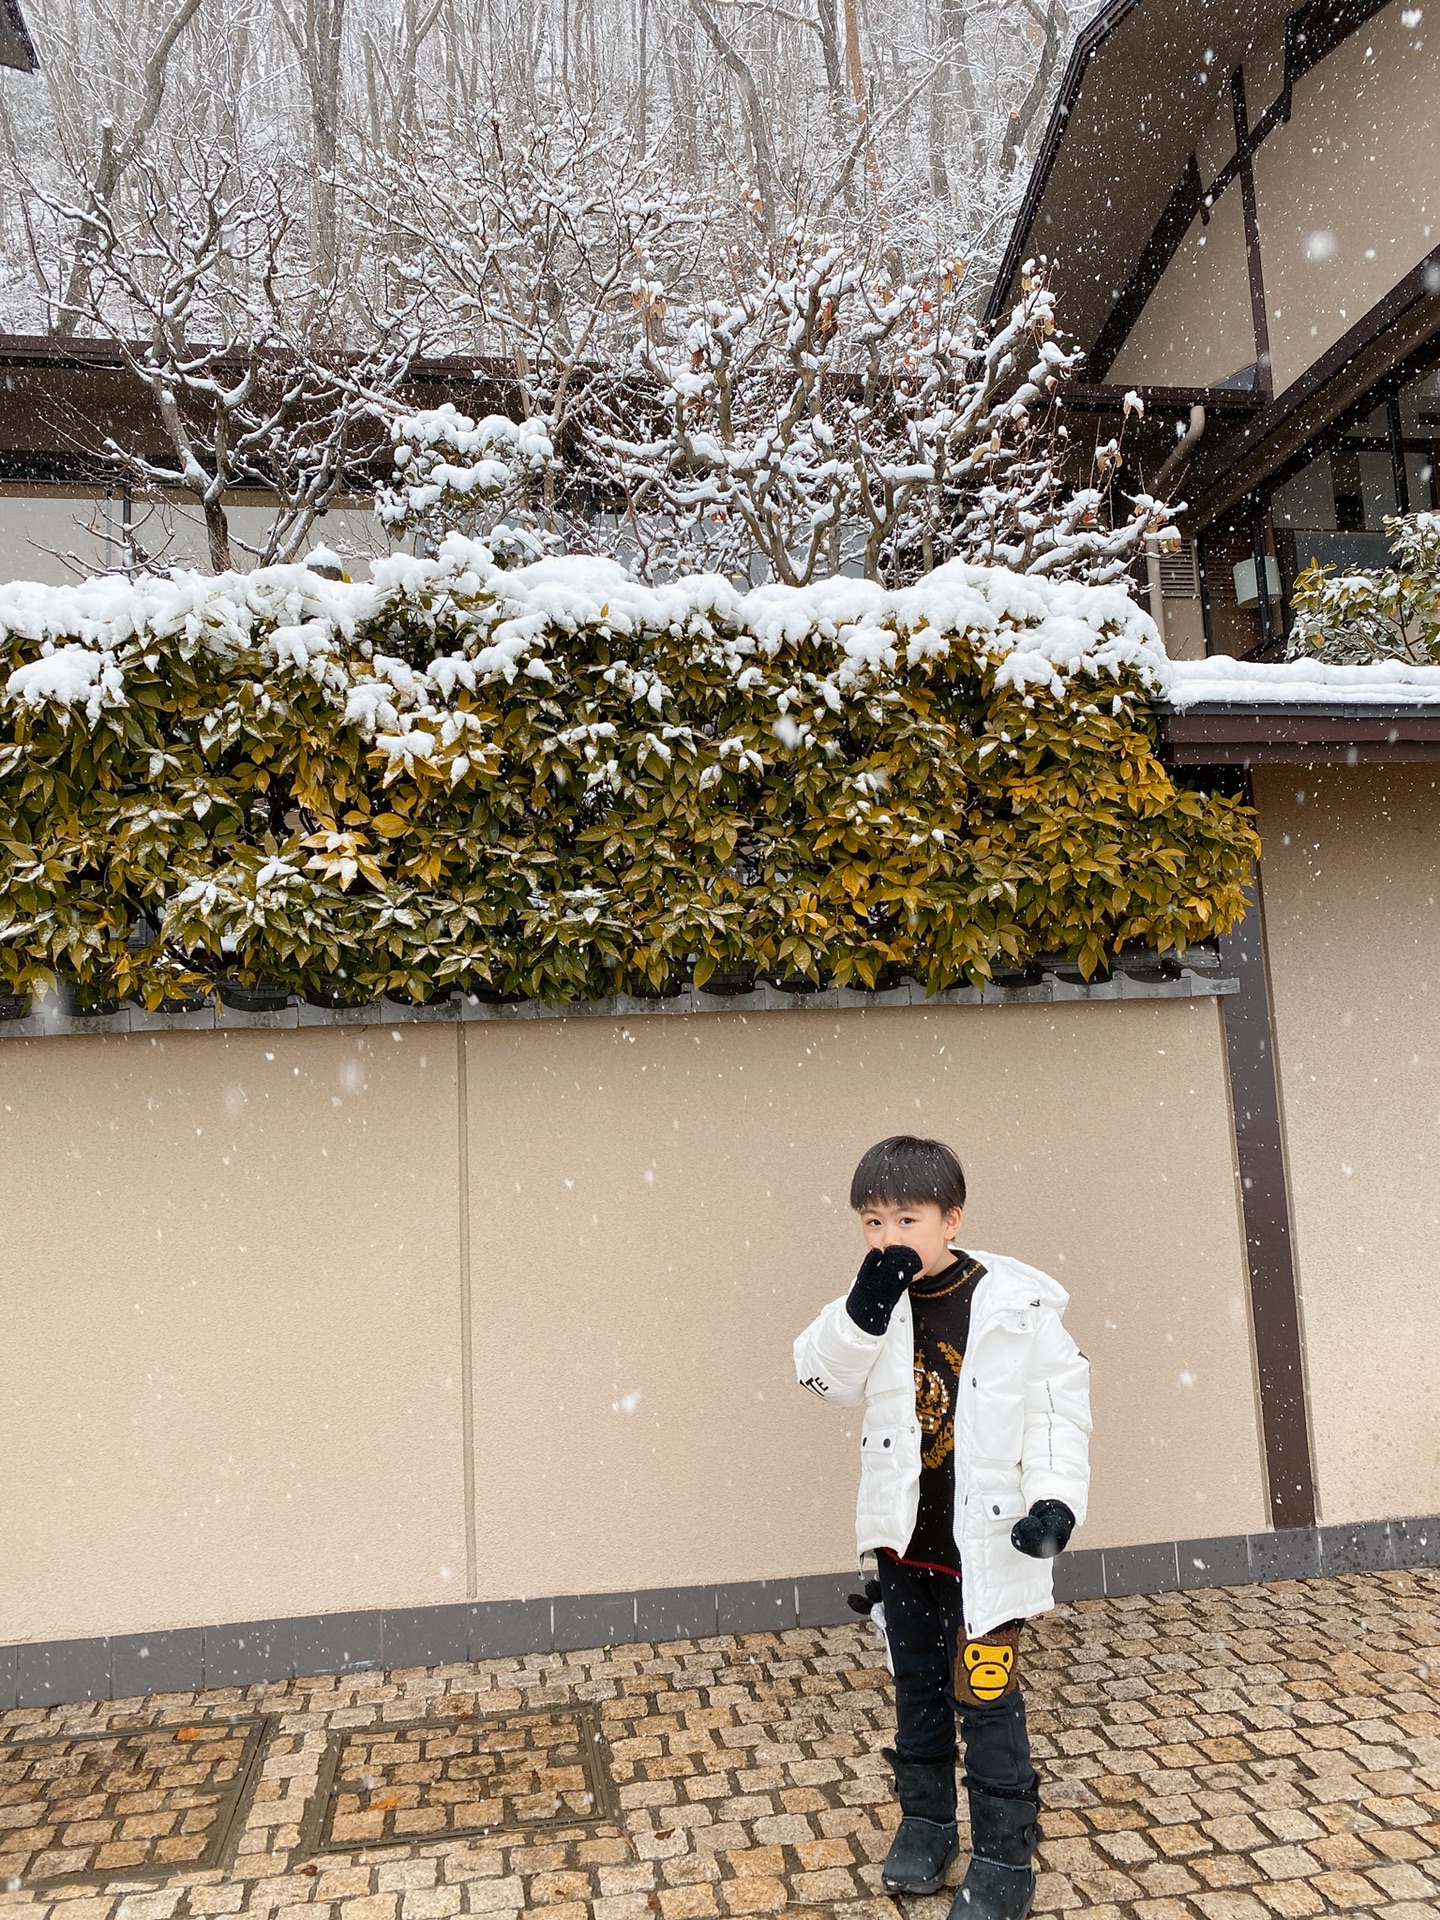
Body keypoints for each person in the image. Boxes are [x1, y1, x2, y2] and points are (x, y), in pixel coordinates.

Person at [793, 1135, 1091, 1920]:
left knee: (985, 1696)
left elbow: (1059, 1416)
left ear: (951, 1219)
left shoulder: (1019, 1307)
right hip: (904, 1546)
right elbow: (821, 1379)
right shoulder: (873, 1305)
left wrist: (1055, 1504)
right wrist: (863, 1309)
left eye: (907, 1219)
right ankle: (926, 1823)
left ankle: (1003, 1852)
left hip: (990, 1550)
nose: (889, 1239)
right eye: (872, 1222)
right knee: (917, 1694)